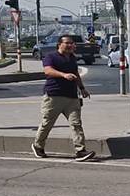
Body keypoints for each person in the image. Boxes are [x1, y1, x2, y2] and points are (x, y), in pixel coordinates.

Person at [32, 34, 95, 162]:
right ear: (59, 44)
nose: (70, 45)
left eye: (71, 43)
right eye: (67, 43)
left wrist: (82, 88)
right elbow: (48, 71)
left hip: (72, 97)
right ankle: (38, 146)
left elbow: (76, 73)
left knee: (76, 124)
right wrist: (63, 75)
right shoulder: (51, 56)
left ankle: (80, 151)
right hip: (54, 96)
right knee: (47, 123)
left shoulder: (72, 58)